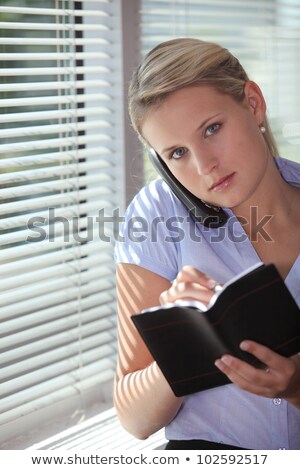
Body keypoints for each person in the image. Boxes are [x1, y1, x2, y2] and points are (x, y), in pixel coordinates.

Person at [113, 38, 300, 450]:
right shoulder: (158, 214)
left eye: (212, 129)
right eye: (178, 152)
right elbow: (135, 418)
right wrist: (182, 339)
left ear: (252, 103)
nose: (203, 166)